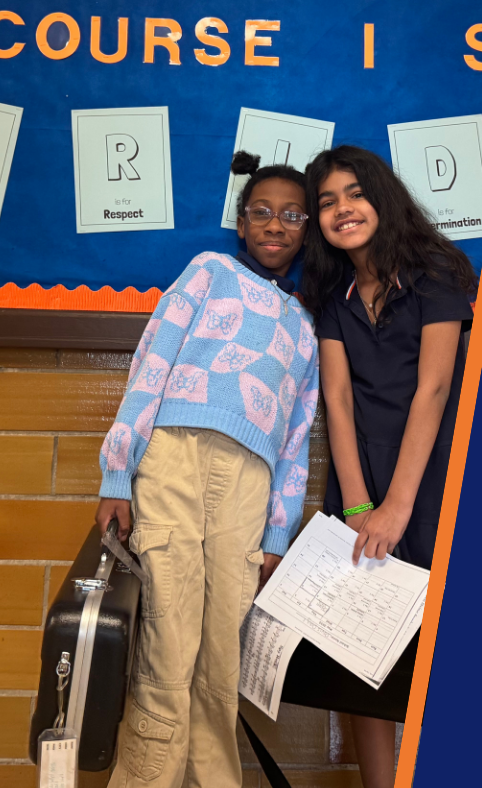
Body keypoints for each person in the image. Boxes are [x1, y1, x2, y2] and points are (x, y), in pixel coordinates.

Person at [95, 152, 319, 788]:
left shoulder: (305, 326)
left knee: (222, 655)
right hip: (174, 458)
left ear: (306, 230)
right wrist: (118, 473)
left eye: (292, 215)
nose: (276, 225)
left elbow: (297, 441)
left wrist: (277, 538)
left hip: (249, 486)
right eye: (262, 212)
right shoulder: (208, 271)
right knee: (168, 642)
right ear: (241, 222)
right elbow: (151, 366)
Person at [299, 145, 476, 788]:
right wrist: (355, 509)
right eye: (326, 202)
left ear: (382, 196)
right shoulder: (330, 292)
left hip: (432, 480)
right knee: (356, 651)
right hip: (356, 483)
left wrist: (397, 506)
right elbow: (337, 400)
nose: (342, 209)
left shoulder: (437, 274)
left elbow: (433, 390)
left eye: (354, 193)